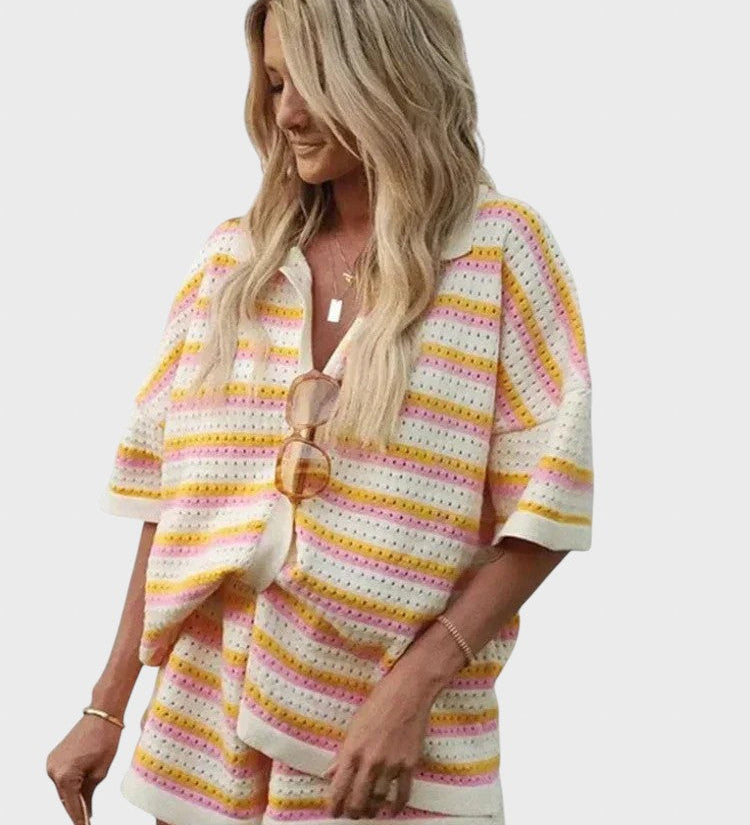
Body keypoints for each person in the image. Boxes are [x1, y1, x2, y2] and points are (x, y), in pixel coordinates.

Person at [45, 1, 595, 824]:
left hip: (394, 748)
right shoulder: (231, 264)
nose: (288, 113)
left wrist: (414, 686)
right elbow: (168, 501)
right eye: (275, 84)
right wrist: (106, 705)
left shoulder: (497, 251)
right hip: (203, 733)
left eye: (313, 81)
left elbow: (547, 506)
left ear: (390, 74)